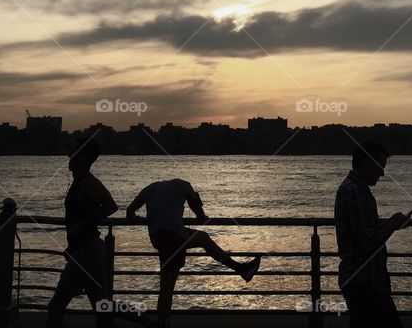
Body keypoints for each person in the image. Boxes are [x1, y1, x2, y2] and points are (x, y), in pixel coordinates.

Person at [126, 178, 261, 328]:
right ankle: (241, 269)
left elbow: (129, 212)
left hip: (157, 237)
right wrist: (201, 217)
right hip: (175, 237)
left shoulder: (149, 188)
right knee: (167, 286)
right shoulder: (185, 186)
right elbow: (196, 205)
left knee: (201, 240)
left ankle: (240, 268)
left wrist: (136, 219)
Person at [334, 141, 412, 328]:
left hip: (360, 281)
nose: (382, 173)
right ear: (367, 163)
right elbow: (368, 243)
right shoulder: (357, 192)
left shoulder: (352, 188)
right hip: (366, 282)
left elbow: (363, 227)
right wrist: (393, 223)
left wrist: (389, 224)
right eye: (380, 166)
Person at [46, 138, 118, 328]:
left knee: (56, 305)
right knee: (101, 305)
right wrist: (72, 246)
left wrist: (83, 223)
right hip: (86, 249)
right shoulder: (80, 181)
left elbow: (111, 206)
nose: (69, 156)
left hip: (87, 252)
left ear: (83, 158)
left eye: (74, 153)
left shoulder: (87, 182)